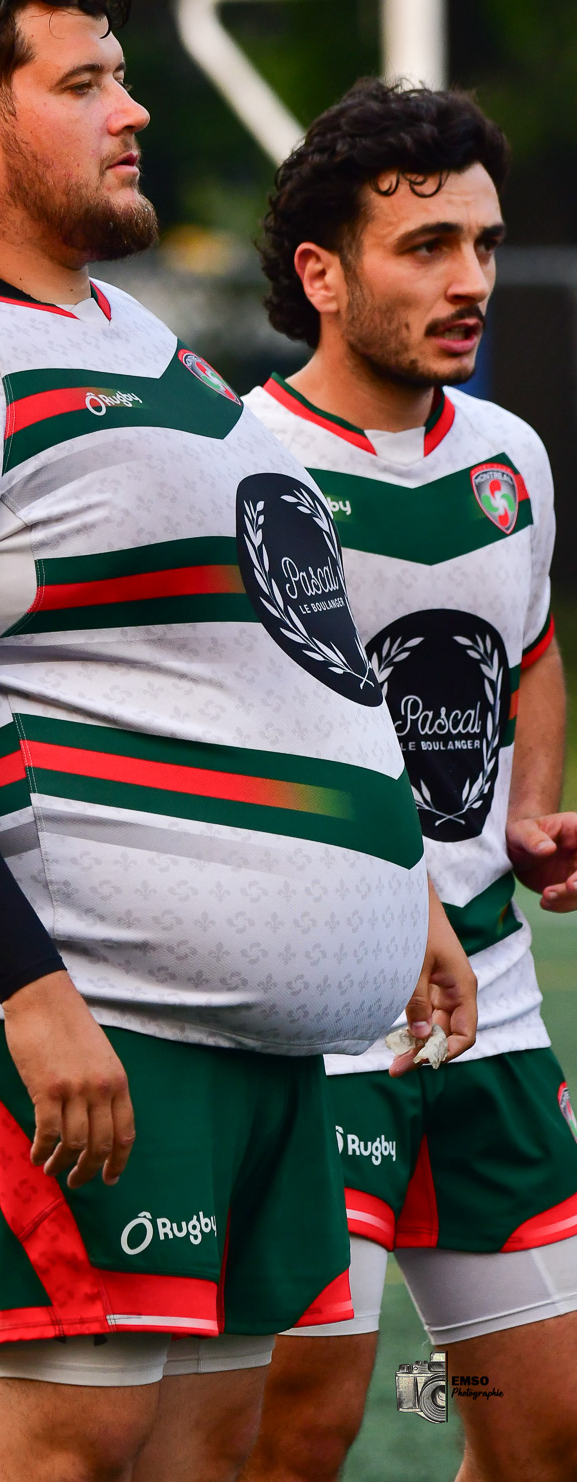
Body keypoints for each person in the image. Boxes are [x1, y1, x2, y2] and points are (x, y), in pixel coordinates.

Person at [0, 0, 473, 1482]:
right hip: (91, 1010)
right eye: (83, 83)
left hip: (253, 1036)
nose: (130, 110)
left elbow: (270, 649)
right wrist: (32, 989)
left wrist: (392, 875)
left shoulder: (136, 341)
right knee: (71, 1446)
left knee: (212, 1454)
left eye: (123, 75)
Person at [242, 79, 577, 1482]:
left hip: (491, 1013)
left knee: (540, 1428)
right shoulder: (242, 462)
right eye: (427, 246)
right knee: (303, 1433)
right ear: (324, 273)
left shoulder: (511, 458)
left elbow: (531, 641)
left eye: (486, 245)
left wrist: (526, 808)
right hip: (324, 1021)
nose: (470, 281)